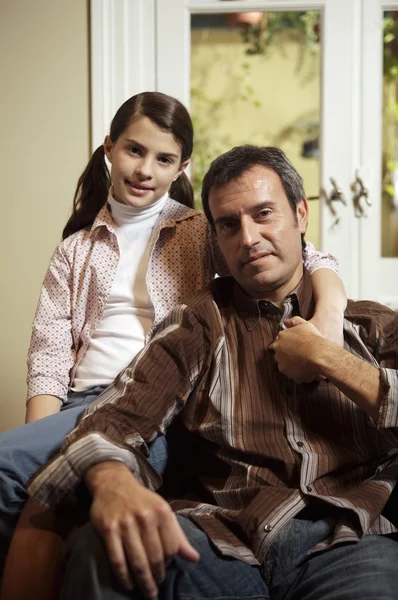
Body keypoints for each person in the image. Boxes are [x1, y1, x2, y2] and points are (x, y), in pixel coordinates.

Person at [27, 145, 398, 600]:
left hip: (349, 541)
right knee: (101, 547)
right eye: (228, 224)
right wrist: (112, 481)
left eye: (264, 214)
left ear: (301, 214)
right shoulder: (198, 324)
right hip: (220, 542)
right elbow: (115, 417)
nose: (248, 237)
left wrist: (328, 357)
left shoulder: (372, 325)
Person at [0, 94, 345, 573]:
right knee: (24, 482)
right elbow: (49, 358)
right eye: (133, 151)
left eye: (164, 159)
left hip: (159, 401)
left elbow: (305, 256)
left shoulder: (204, 230)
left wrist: (330, 312)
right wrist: (38, 437)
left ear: (182, 166)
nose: (145, 169)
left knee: (11, 470)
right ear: (108, 149)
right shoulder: (75, 250)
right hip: (84, 401)